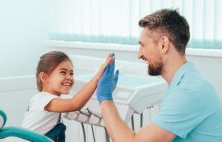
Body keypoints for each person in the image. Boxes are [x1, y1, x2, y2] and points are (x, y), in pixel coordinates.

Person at [96, 9, 222, 142]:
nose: (139, 55)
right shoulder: (186, 82)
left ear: (163, 44)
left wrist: (105, 98)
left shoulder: (188, 92)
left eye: (143, 45)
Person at [21, 51, 114, 142]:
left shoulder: (47, 100)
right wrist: (98, 76)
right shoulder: (43, 99)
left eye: (71, 73)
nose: (69, 77)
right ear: (44, 77)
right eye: (63, 72)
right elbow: (74, 104)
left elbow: (75, 103)